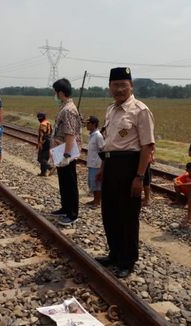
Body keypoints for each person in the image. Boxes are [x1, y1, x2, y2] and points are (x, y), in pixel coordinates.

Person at [94, 67, 155, 278]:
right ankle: (114, 254)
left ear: (131, 86)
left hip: (130, 167)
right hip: (110, 165)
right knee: (109, 213)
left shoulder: (140, 110)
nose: (119, 89)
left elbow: (147, 147)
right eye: (115, 85)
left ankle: (127, 261)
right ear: (109, 87)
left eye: (123, 85)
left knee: (128, 216)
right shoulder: (111, 110)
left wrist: (139, 177)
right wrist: (103, 168)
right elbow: (109, 143)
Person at [50, 78, 82, 226]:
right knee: (63, 181)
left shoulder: (69, 110)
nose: (54, 96)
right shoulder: (65, 107)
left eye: (55, 93)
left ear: (61, 93)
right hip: (61, 150)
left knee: (70, 183)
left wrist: (67, 155)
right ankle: (65, 208)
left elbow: (70, 133)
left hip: (66, 152)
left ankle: (72, 213)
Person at [85, 116, 104, 207]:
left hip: (96, 164)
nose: (86, 125)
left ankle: (97, 202)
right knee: (92, 183)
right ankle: (95, 200)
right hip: (91, 163)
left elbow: (102, 150)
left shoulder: (98, 136)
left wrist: (101, 166)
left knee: (97, 183)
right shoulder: (92, 135)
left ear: (93, 124)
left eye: (88, 123)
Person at [36, 112, 52, 176]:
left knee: (40, 158)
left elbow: (41, 135)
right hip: (49, 141)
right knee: (45, 157)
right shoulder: (48, 123)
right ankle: (43, 172)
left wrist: (40, 144)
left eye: (38, 118)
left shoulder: (42, 124)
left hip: (44, 142)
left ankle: (50, 167)